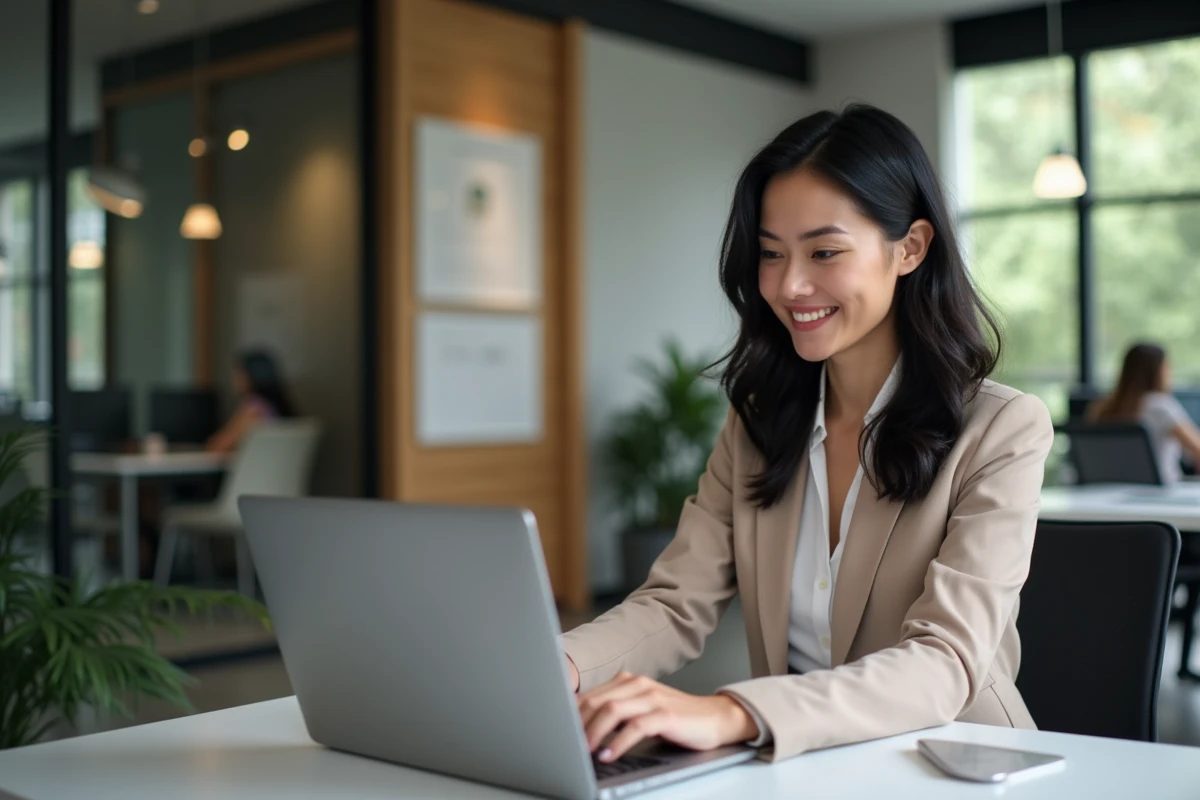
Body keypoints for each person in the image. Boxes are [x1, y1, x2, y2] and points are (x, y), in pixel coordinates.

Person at [560, 105, 1054, 763]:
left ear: (910, 248)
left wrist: (734, 711)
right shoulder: (758, 423)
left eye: (824, 252)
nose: (790, 285)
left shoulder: (1001, 429)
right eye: (771, 253)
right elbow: (675, 603)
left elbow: (944, 661)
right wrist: (556, 664)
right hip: (799, 770)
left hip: (955, 765)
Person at [1087, 342, 1200, 484]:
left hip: (1107, 491)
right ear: (1158, 371)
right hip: (1159, 493)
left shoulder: (1101, 409)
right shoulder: (1160, 406)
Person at [206, 349, 296, 453]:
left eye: (237, 375)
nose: (233, 381)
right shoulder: (277, 406)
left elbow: (219, 446)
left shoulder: (254, 409)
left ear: (247, 377)